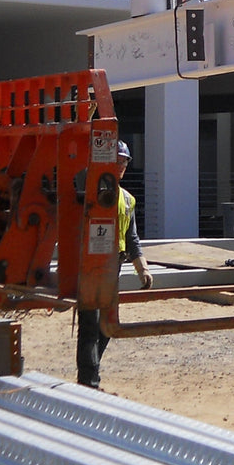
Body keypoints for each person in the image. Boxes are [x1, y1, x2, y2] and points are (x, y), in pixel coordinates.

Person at [77, 142, 154, 389]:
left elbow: (132, 238)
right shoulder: (90, 192)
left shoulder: (128, 200)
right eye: (117, 160)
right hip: (90, 266)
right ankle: (89, 381)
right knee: (90, 324)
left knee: (107, 325)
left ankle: (90, 372)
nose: (121, 165)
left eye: (124, 161)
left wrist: (142, 268)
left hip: (113, 267)